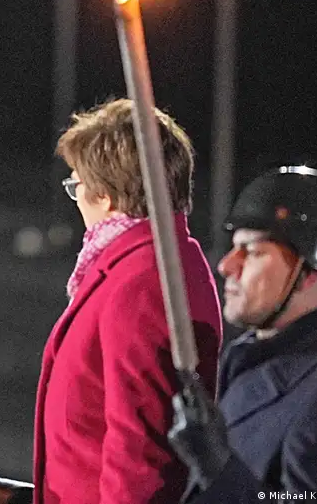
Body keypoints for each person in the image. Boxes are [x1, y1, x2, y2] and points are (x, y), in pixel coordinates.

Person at [168, 166, 317, 502]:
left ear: (309, 273)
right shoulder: (246, 360)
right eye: (234, 248)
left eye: (252, 252)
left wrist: (217, 468)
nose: (226, 266)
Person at [33, 99, 223, 503]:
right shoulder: (147, 264)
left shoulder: (141, 280)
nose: (76, 198)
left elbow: (139, 451)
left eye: (76, 185)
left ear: (104, 193)